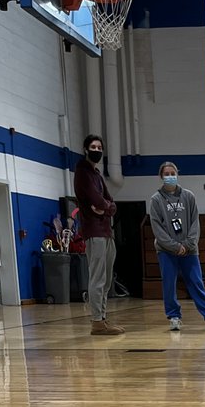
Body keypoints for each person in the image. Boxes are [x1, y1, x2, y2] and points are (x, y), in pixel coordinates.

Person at [149, 162, 205, 333]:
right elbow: (157, 228)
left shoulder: (188, 196)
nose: (170, 176)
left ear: (177, 174)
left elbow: (195, 222)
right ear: (161, 177)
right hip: (166, 251)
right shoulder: (156, 200)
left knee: (196, 282)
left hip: (189, 250)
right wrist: (174, 246)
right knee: (169, 284)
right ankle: (174, 317)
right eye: (166, 173)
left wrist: (187, 244)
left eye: (173, 173)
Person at [73, 132, 123, 335]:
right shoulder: (82, 172)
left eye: (99, 148)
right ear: (86, 149)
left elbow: (111, 203)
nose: (96, 151)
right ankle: (96, 321)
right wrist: (104, 206)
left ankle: (102, 318)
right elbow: (97, 200)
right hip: (94, 231)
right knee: (98, 277)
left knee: (107, 278)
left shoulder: (97, 175)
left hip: (106, 230)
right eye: (93, 148)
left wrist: (107, 208)